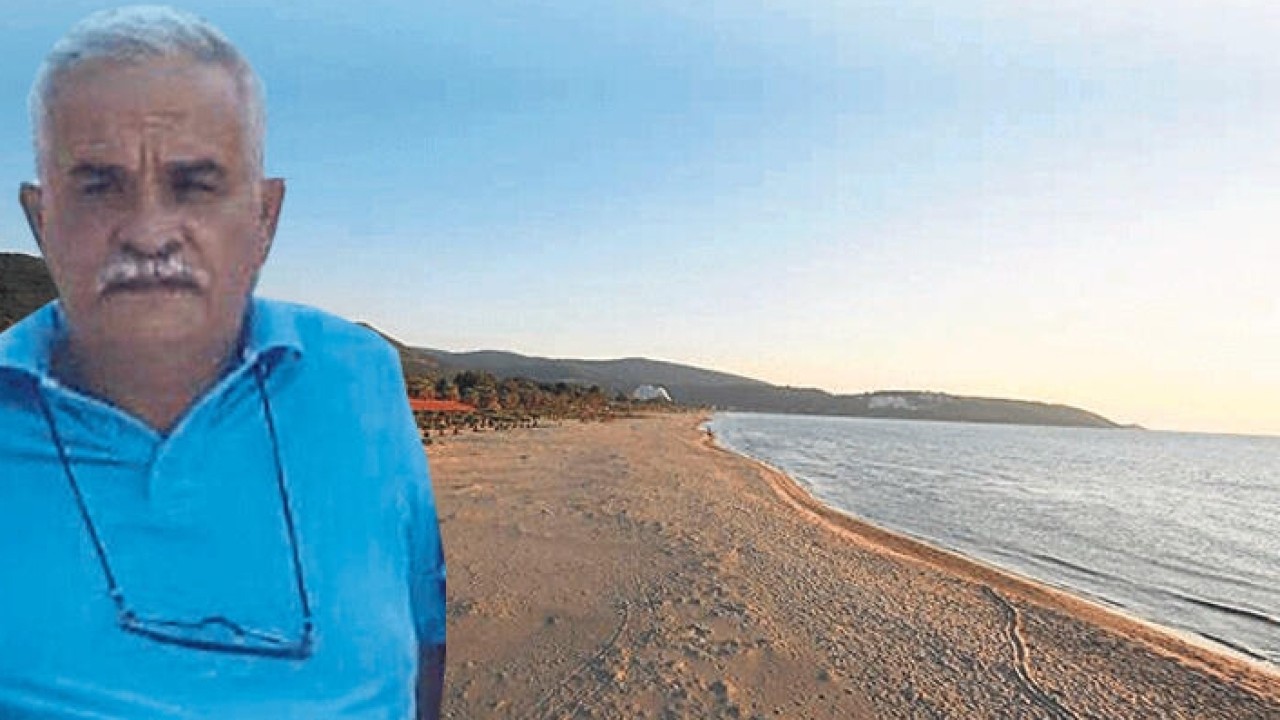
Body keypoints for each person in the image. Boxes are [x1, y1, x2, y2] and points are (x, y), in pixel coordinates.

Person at [0, 6, 446, 718]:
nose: (149, 232)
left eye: (196, 184)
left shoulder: (362, 374)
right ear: (41, 218)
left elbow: (425, 625)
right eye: (99, 185)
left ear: (264, 218)